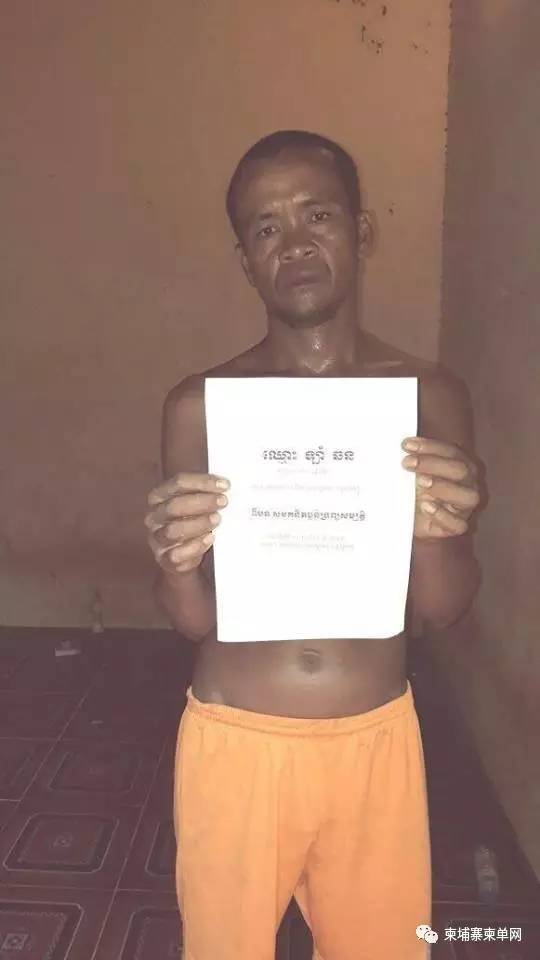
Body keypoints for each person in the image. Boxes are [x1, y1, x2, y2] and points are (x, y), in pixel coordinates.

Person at [145, 130, 483, 960]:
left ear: (360, 231)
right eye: (266, 227)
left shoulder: (429, 395)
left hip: (375, 739)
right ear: (245, 261)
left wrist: (441, 532)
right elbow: (193, 619)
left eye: (317, 215)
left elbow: (440, 609)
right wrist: (175, 560)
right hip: (235, 743)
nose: (293, 242)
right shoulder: (201, 405)